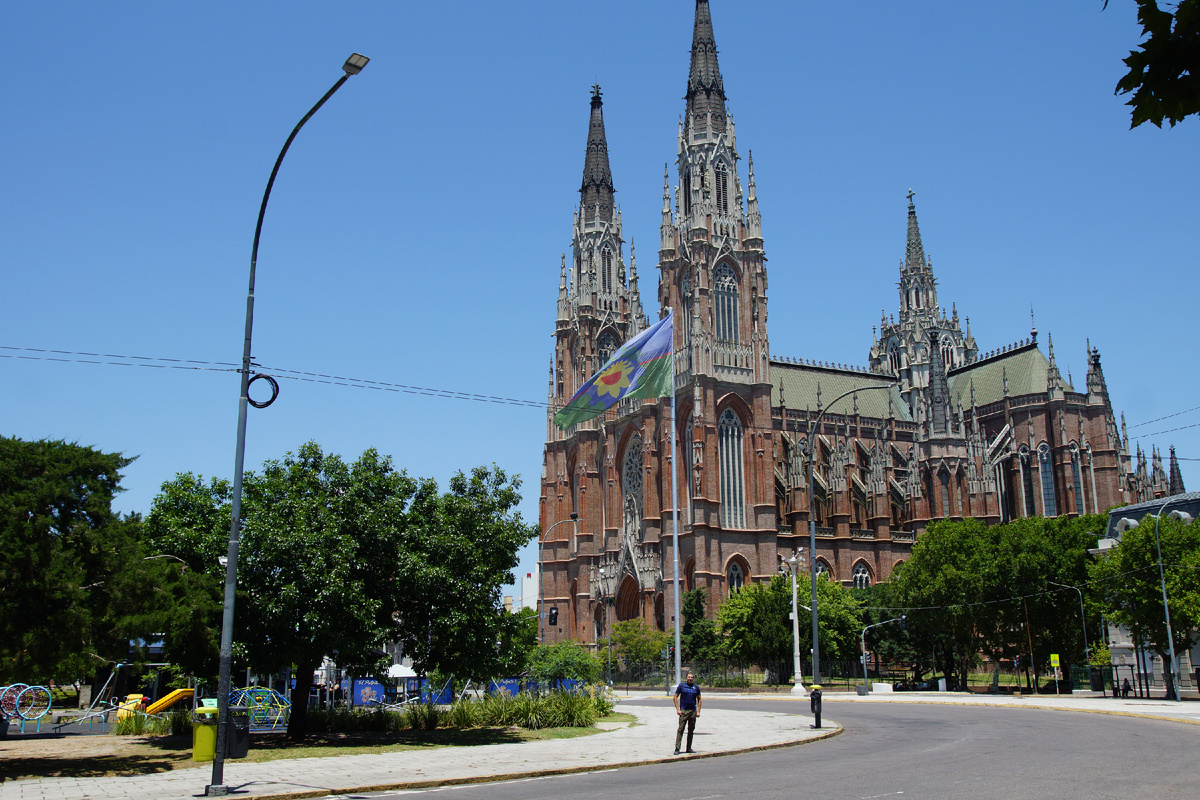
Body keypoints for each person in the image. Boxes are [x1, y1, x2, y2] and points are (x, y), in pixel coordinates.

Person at [673, 671, 702, 754]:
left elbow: (699, 699)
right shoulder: (681, 686)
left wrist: (698, 711)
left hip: (693, 711)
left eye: (691, 677)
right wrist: (678, 709)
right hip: (684, 711)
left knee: (691, 730)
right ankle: (677, 748)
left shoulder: (696, 687)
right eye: (689, 677)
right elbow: (675, 697)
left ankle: (689, 748)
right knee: (681, 729)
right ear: (686, 677)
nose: (690, 679)